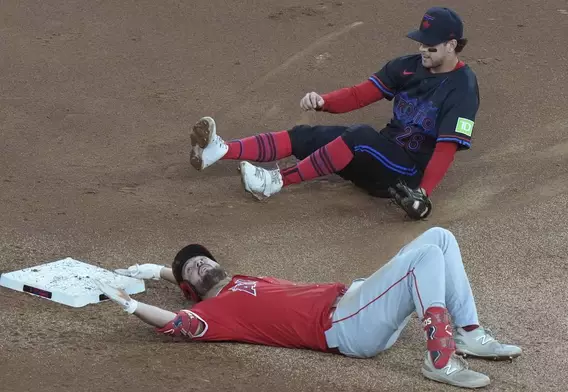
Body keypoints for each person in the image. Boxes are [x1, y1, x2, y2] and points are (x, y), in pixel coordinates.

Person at [97, 227, 521, 389]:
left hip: (358, 305)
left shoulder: (240, 280)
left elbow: (183, 277)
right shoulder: (215, 311)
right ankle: (440, 359)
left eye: (203, 257)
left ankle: (470, 332)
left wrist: (157, 270)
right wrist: (133, 304)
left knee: (440, 237)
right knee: (425, 258)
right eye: (193, 267)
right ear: (193, 289)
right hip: (348, 326)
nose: (202, 263)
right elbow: (178, 325)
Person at [188, 7, 479, 220]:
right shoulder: (407, 65)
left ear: (452, 45)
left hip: (405, 176)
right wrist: (323, 101)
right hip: (379, 155)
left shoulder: (463, 88)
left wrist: (423, 193)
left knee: (359, 136)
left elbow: (447, 147)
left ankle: (276, 182)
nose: (422, 49)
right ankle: (220, 150)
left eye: (429, 45)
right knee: (307, 136)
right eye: (420, 42)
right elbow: (359, 94)